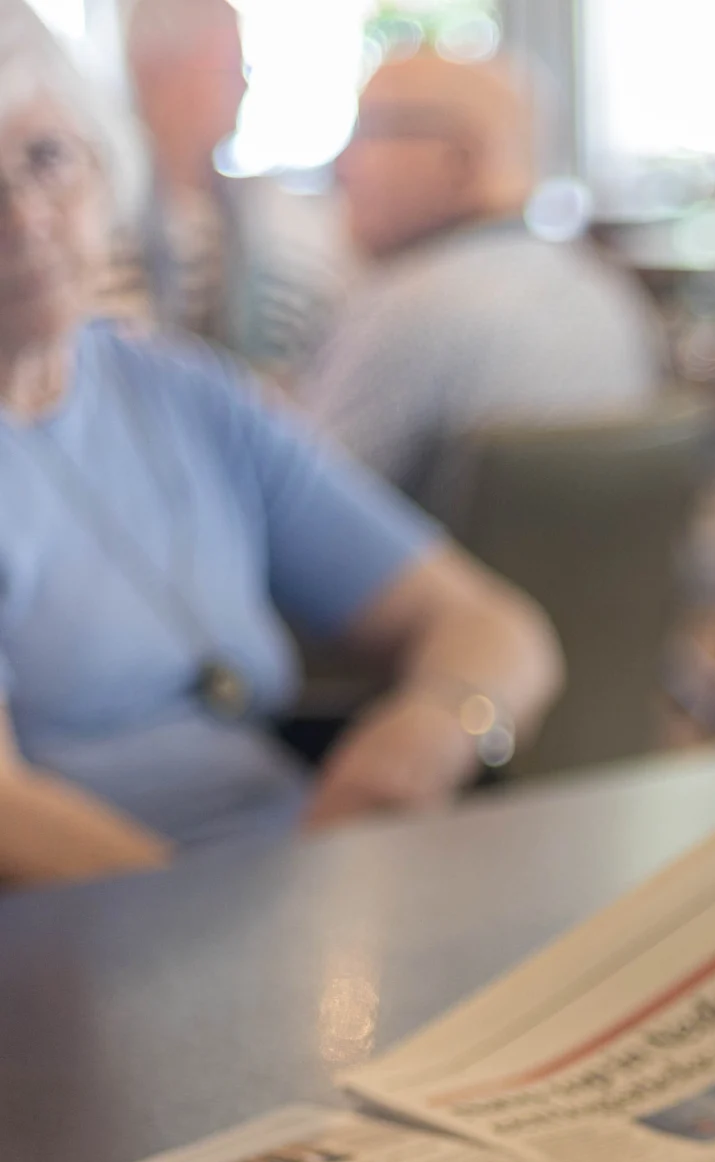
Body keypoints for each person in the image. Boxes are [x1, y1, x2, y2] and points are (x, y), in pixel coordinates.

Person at [0, 0, 559, 882]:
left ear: (107, 173)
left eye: (47, 158)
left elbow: (500, 628)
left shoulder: (190, 391)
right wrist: (251, 922)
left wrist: (437, 727)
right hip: (103, 926)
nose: (26, 219)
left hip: (299, 877)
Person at [301, 51, 660, 501]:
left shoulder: (411, 308)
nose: (341, 166)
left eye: (370, 130)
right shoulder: (602, 290)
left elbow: (292, 509)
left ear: (461, 158)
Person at [122, 0, 343, 375]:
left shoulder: (248, 209)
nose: (244, 85)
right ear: (160, 75)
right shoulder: (109, 215)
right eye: (229, 68)